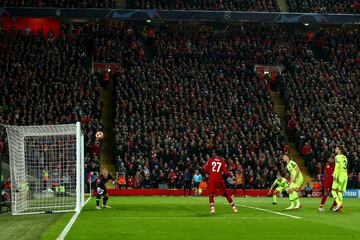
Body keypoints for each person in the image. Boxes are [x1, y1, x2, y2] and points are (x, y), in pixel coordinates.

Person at [331, 145, 348, 212]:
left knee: (333, 190)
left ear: (340, 150)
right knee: (340, 192)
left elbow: (337, 167)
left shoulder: (337, 157)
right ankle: (340, 209)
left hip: (339, 176)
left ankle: (339, 204)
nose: (335, 150)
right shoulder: (345, 157)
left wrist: (335, 175)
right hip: (345, 176)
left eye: (337, 149)